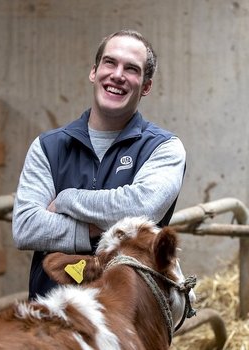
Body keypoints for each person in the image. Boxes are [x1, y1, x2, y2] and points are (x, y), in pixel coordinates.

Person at [12, 29, 186, 299]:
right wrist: (97, 230)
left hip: (131, 317)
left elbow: (143, 206)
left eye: (131, 69)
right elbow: (26, 227)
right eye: (110, 62)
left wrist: (67, 200)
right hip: (55, 313)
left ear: (146, 86)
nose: (118, 75)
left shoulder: (164, 148)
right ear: (94, 72)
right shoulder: (49, 147)